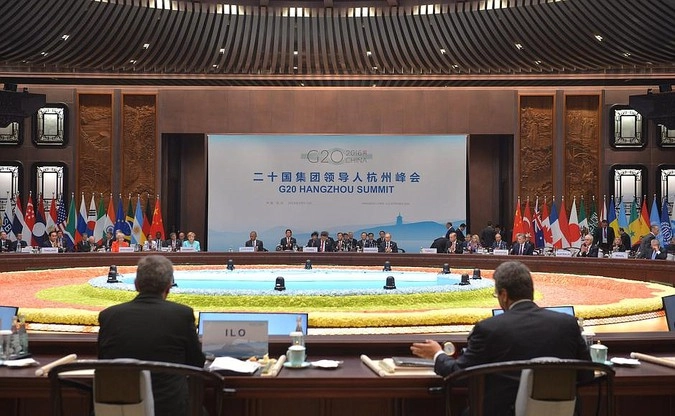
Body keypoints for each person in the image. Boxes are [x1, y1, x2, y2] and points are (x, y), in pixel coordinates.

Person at [410, 261, 591, 416]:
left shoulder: (489, 329)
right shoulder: (567, 324)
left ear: (504, 295)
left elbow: (460, 375)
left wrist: (437, 354)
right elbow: (586, 375)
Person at [98, 255, 205, 416]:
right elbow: (196, 363)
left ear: (136, 284)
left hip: (119, 409)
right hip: (170, 410)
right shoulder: (181, 315)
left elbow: (103, 362)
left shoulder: (109, 316)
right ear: (169, 286)